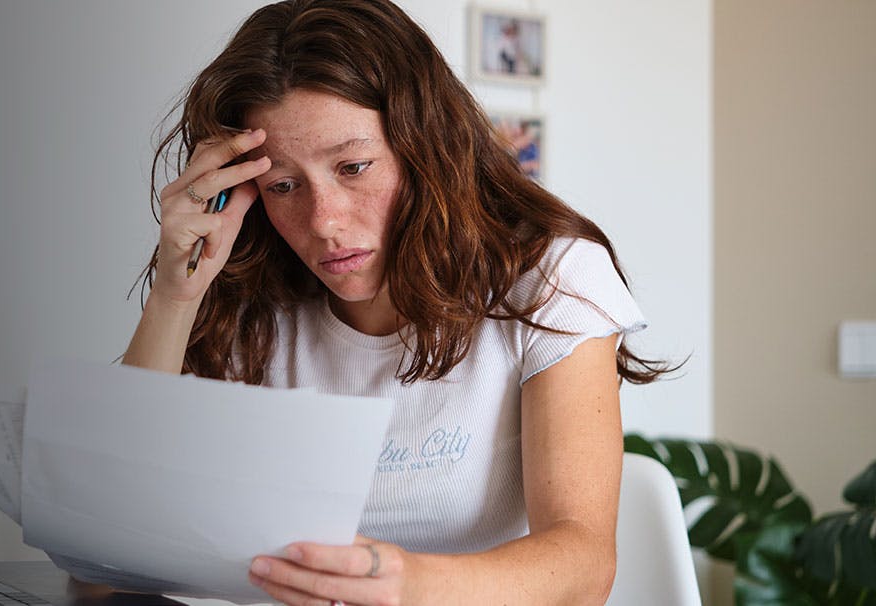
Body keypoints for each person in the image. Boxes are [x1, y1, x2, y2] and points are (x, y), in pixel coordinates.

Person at [116, 0, 677, 604]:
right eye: (283, 186)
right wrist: (177, 293)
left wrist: (401, 584)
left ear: (426, 148)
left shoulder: (553, 278)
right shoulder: (255, 297)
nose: (324, 222)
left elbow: (583, 567)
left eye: (353, 167)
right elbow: (113, 529)